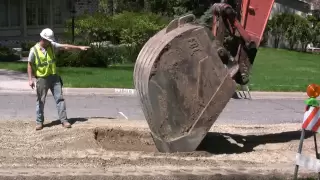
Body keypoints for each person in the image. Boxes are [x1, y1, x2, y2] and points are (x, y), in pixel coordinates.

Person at [27, 28, 90, 130]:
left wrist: (79, 47)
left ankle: (64, 120)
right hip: (42, 79)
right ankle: (39, 122)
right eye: (49, 40)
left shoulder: (51, 46)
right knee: (40, 101)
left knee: (60, 99)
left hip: (54, 77)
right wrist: (30, 79)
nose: (51, 42)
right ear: (43, 39)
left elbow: (65, 46)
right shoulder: (34, 50)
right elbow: (29, 64)